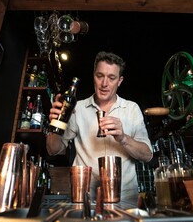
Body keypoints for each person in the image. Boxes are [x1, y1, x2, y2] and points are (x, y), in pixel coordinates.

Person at [46, 51, 153, 203]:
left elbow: (147, 155)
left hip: (125, 199)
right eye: (100, 76)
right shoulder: (78, 108)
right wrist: (54, 124)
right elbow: (53, 149)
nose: (104, 84)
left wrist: (123, 138)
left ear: (120, 81)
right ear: (93, 76)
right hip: (84, 198)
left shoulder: (131, 109)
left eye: (111, 78)